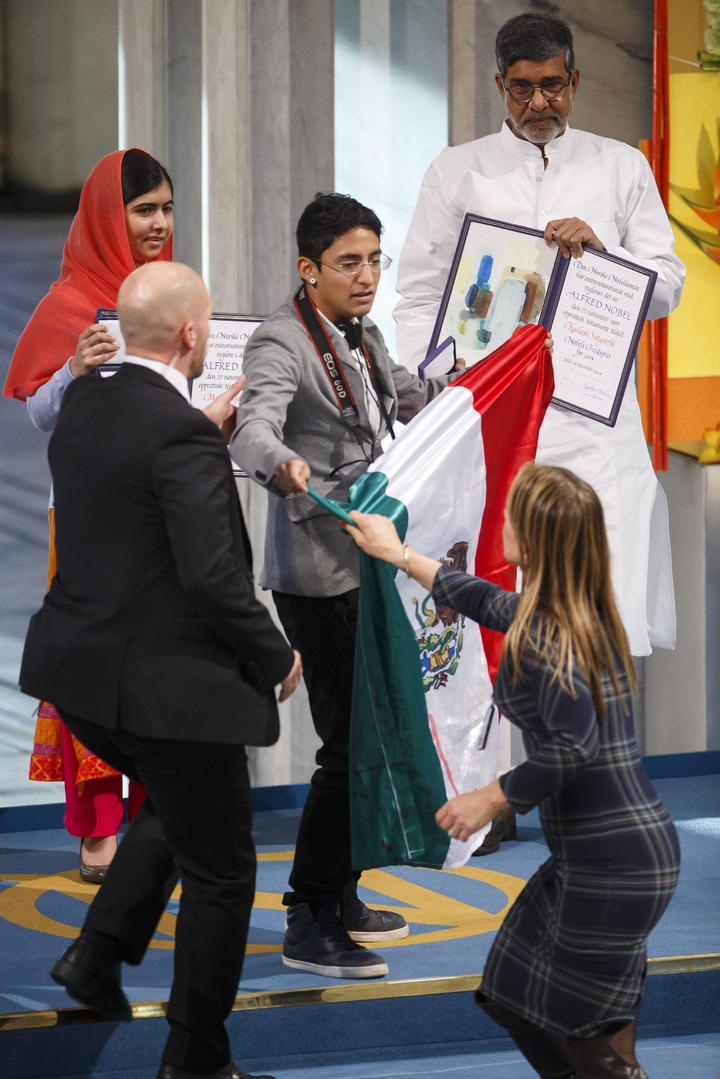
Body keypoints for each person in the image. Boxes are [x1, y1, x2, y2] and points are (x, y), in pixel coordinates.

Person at [20, 260, 301, 1079]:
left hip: (79, 678)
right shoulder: (178, 433)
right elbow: (214, 576)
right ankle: (196, 1058)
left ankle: (98, 956)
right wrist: (275, 652)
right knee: (222, 865)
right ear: (192, 335)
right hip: (163, 684)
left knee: (181, 804)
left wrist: (198, 443)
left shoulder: (87, 402)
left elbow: (131, 495)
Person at [344, 463, 680, 1079]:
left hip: (610, 862)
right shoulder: (574, 613)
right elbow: (484, 599)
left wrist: (489, 798)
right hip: (619, 854)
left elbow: (571, 745)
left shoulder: (550, 632)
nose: (500, 520)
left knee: (565, 1027)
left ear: (529, 536)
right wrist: (399, 554)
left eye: (509, 514)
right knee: (541, 1004)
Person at [395, 13, 685, 663]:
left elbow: (667, 287)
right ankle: (513, 767)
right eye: (521, 88)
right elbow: (417, 296)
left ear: (575, 81)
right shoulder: (457, 171)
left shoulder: (621, 167)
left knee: (602, 617)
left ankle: (596, 763)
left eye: (552, 86)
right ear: (500, 85)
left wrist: (606, 257)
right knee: (501, 629)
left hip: (595, 428)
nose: (538, 104)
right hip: (494, 418)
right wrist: (445, 382)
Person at [230, 192, 462, 979]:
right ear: (309, 269)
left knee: (374, 732)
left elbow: (402, 398)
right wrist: (280, 464)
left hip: (372, 557)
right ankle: (308, 914)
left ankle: (343, 891)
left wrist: (473, 387)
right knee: (345, 746)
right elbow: (250, 426)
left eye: (375, 259)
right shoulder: (280, 340)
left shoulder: (363, 331)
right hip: (316, 575)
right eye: (349, 263)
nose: (367, 277)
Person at [3, 148, 176, 881]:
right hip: (83, 521)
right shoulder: (70, 305)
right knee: (93, 664)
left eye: (167, 208)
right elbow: (41, 415)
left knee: (162, 663)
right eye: (143, 210)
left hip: (165, 511)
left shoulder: (174, 293)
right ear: (111, 215)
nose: (159, 223)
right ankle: (99, 821)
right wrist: (73, 369)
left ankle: (157, 812)